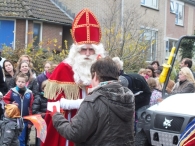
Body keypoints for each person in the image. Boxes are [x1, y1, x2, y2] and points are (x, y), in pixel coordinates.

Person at [42, 8, 105, 146]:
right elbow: (52, 105)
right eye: (83, 49)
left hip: (94, 127)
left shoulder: (102, 69)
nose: (87, 53)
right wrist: (82, 103)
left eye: (91, 50)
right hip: (68, 127)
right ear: (76, 50)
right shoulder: (64, 68)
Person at [51, 57, 135, 145]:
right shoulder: (128, 96)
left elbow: (74, 134)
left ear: (95, 75)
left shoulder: (93, 101)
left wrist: (56, 116)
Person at [3, 73, 34, 146]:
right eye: (19, 81)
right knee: (12, 138)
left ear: (26, 83)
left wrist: (30, 122)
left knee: (22, 139)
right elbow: (4, 99)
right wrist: (11, 103)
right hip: (13, 120)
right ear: (16, 82)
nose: (20, 83)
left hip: (25, 120)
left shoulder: (29, 93)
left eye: (22, 82)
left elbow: (31, 107)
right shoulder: (12, 91)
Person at [32, 80, 48, 146]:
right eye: (46, 88)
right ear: (43, 89)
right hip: (41, 122)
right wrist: (42, 114)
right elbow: (34, 111)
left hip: (50, 122)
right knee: (41, 140)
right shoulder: (39, 97)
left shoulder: (54, 98)